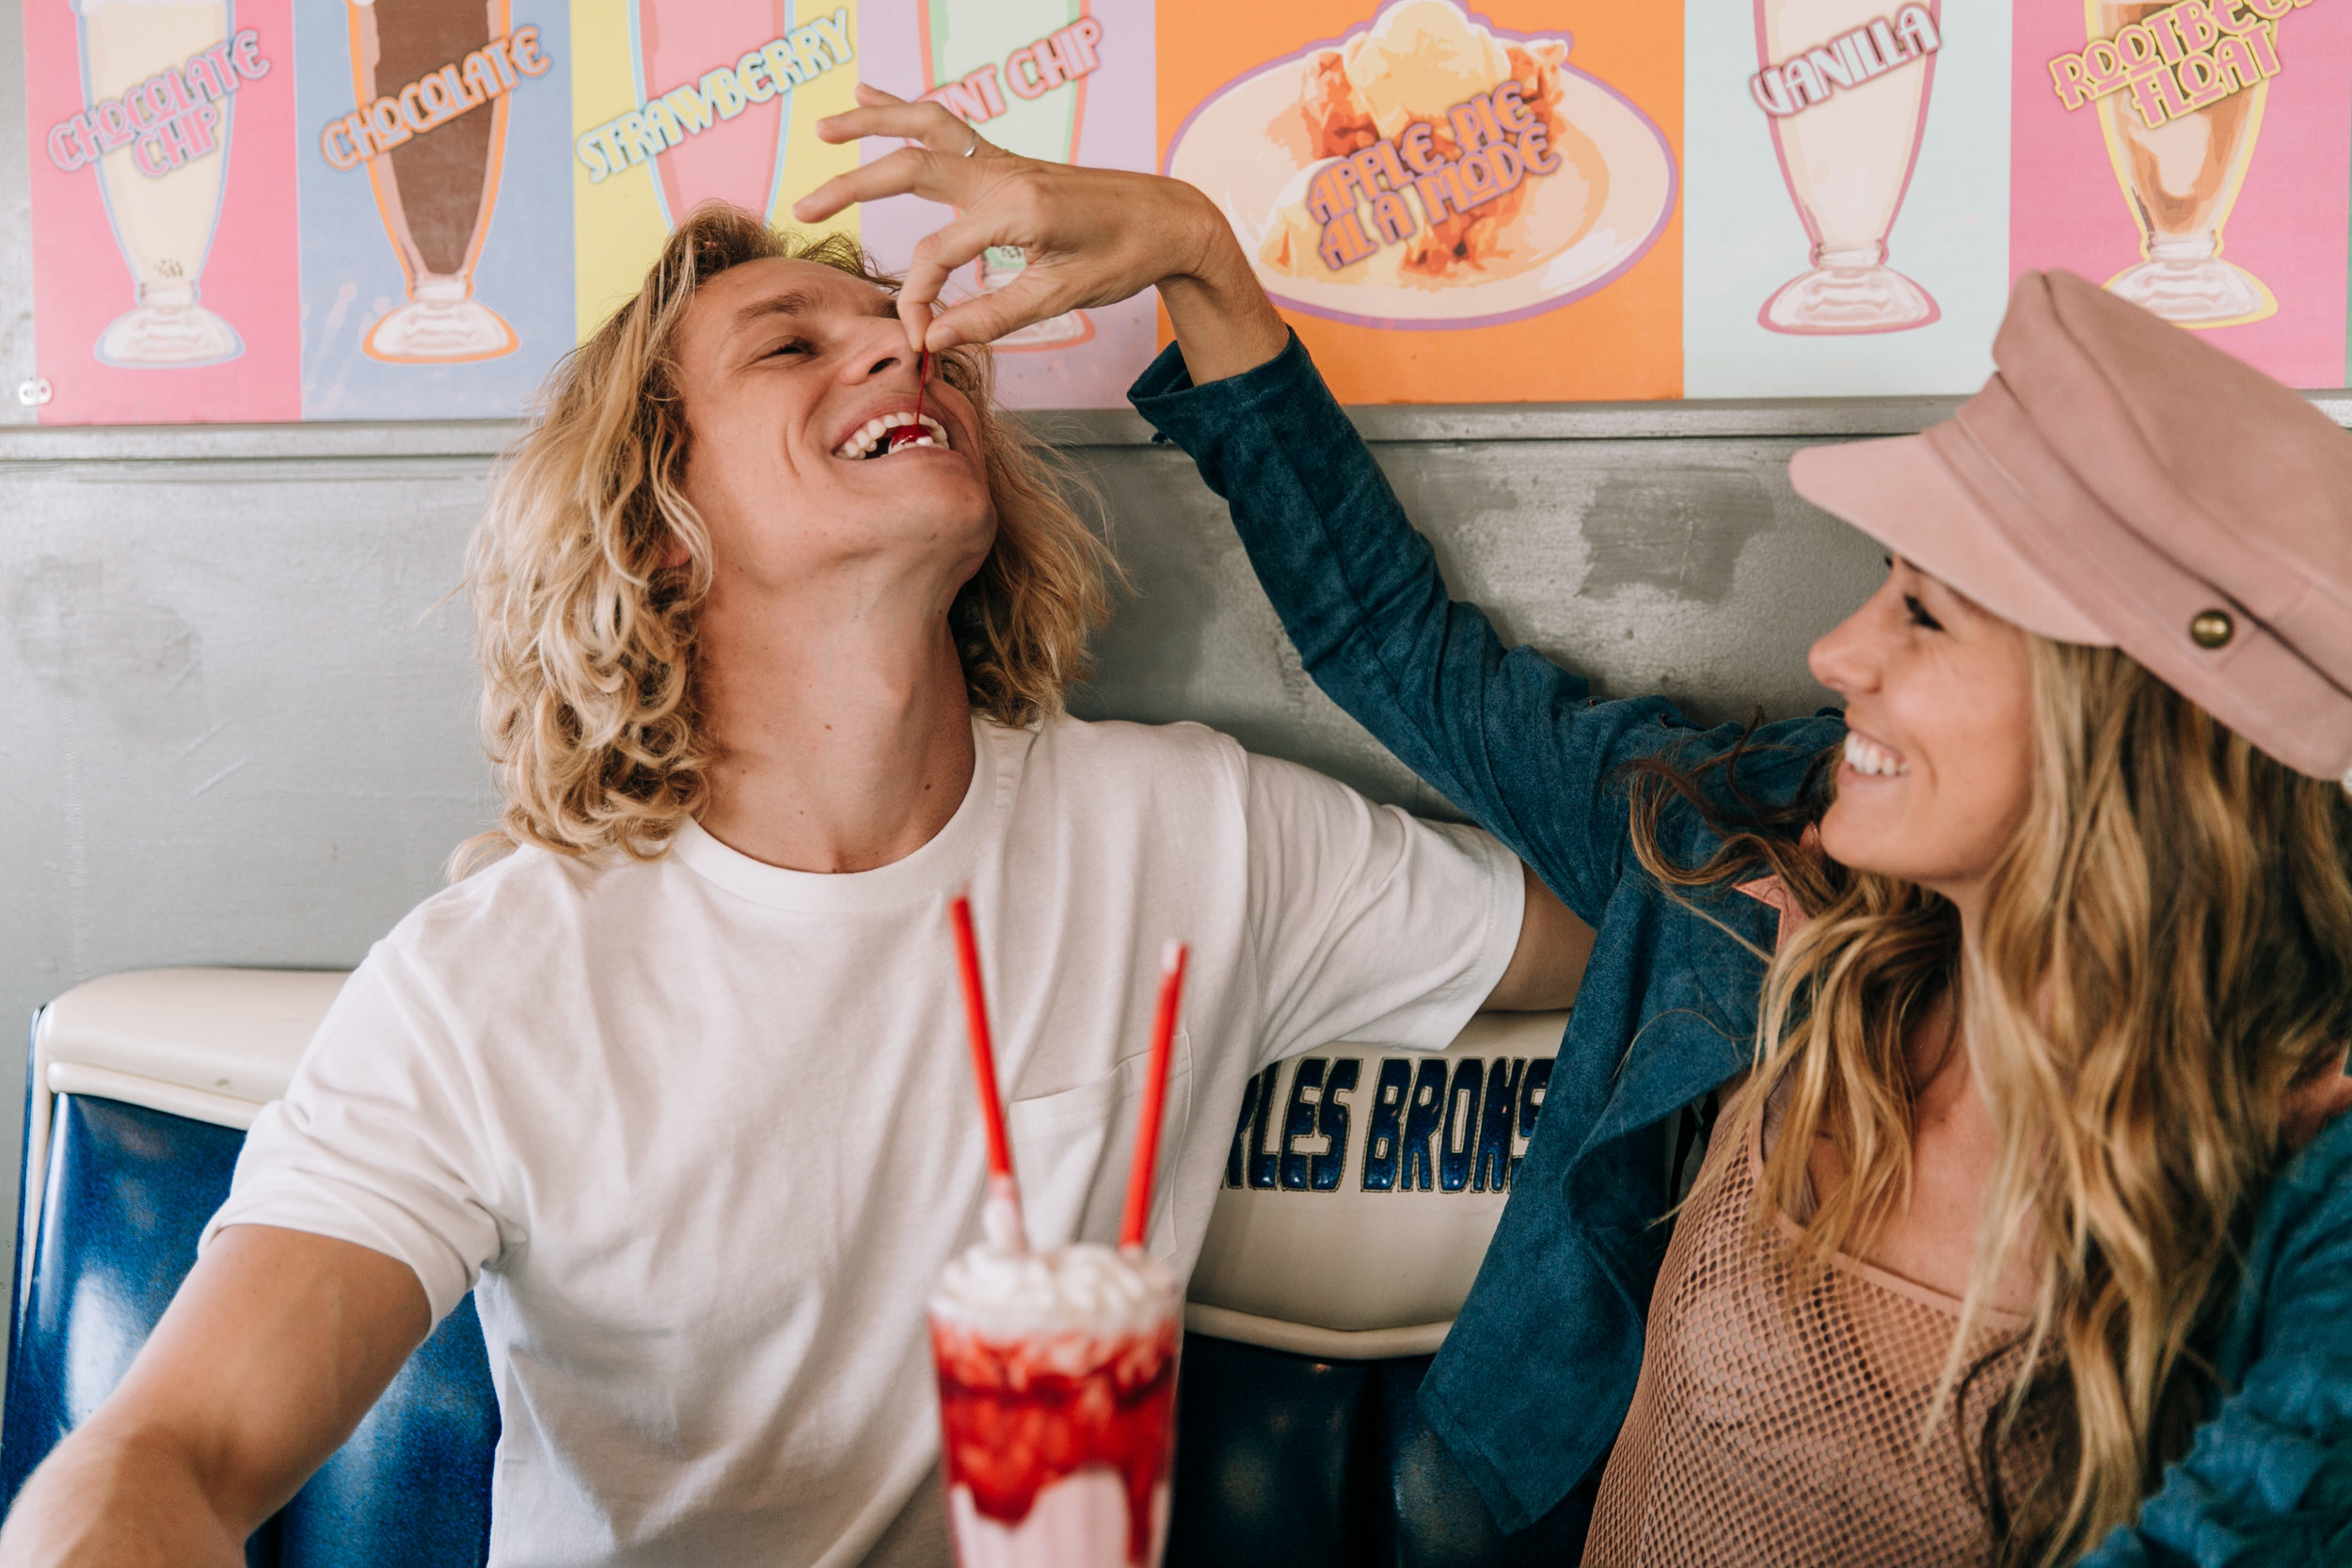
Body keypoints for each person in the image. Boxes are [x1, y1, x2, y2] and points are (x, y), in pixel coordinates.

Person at [796, 91, 2352, 1564]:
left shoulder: (2306, 1171)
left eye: (1925, 615)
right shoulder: (1757, 871)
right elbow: (1403, 651)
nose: (1836, 653)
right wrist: (1205, 254)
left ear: (2124, 726)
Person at [0, 208, 1593, 1566]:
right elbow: (167, 1460)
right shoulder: (492, 988)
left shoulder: (1191, 835)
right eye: (791, 346)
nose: (907, 350)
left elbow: (1635, 925)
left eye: (920, 335)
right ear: (661, 526)